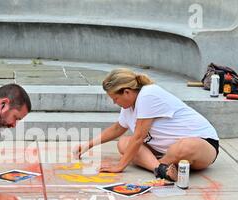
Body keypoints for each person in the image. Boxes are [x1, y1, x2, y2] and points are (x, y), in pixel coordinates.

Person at [74, 68, 219, 180]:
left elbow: (139, 136)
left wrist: (120, 165)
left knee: (184, 147)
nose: (114, 102)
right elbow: (117, 128)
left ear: (127, 92)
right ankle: (161, 170)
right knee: (123, 143)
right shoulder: (129, 105)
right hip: (166, 152)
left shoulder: (148, 94)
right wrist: (89, 144)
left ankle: (159, 165)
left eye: (115, 98)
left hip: (203, 146)